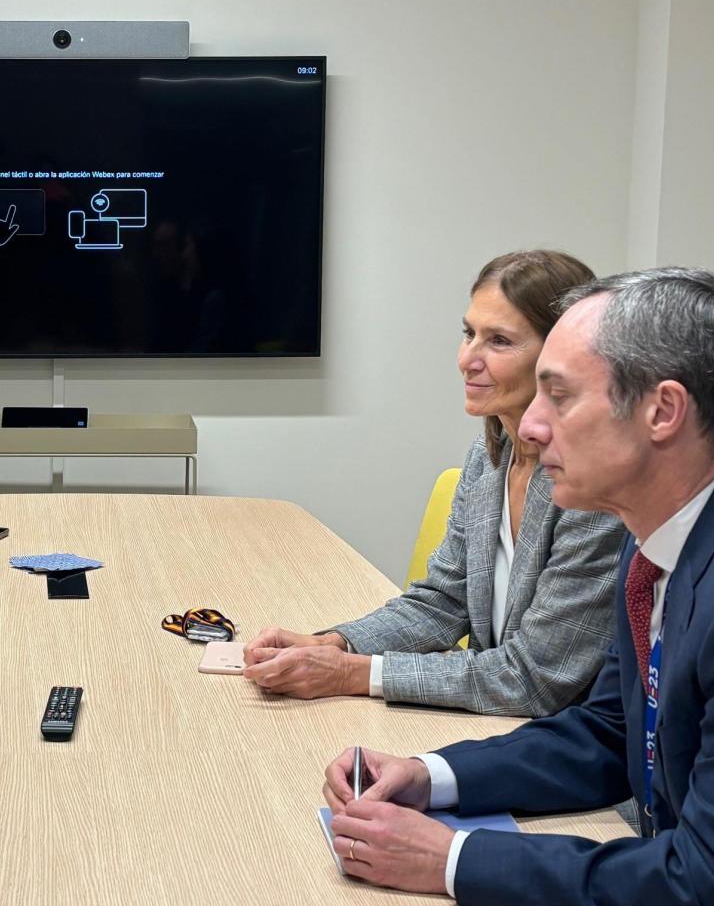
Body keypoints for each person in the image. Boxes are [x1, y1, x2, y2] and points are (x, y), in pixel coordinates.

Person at [323, 269, 714, 903]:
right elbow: (609, 732)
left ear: (662, 411)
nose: (528, 427)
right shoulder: (661, 540)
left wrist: (452, 859)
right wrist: (431, 776)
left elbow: (712, 888)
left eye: (559, 396)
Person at [244, 251, 626, 716]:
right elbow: (443, 601)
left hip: (569, 755)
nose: (468, 359)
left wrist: (354, 673)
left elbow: (533, 681)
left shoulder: (595, 490)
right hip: (494, 729)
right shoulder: (487, 460)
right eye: (469, 334)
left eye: (499, 341)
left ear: (560, 358)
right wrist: (334, 643)